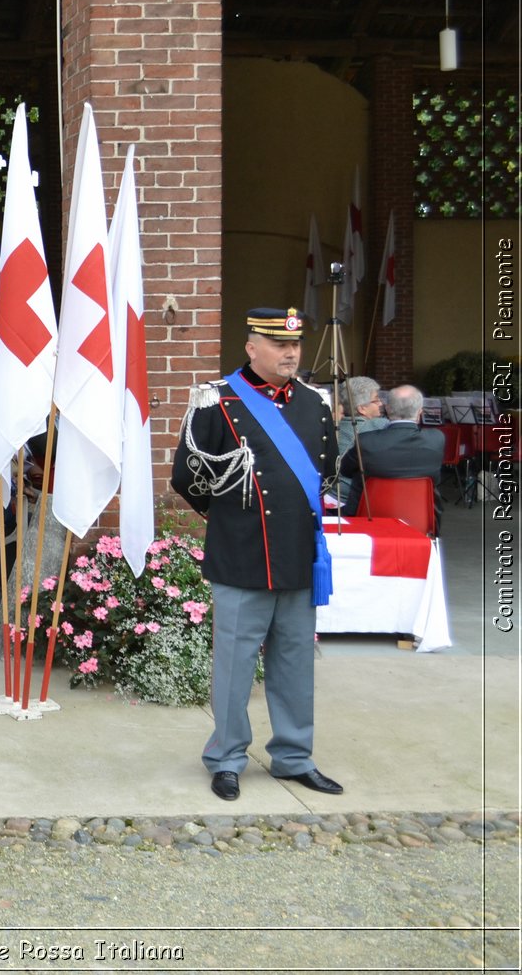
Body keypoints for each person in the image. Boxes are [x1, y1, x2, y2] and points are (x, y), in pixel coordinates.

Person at [171, 306, 341, 803]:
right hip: (244, 556)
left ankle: (293, 757)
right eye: (278, 344)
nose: (290, 352)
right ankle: (226, 758)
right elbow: (189, 477)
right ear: (251, 347)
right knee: (234, 666)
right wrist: (234, 520)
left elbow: (325, 473)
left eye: (295, 345)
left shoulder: (314, 403)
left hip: (298, 556)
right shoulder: (216, 401)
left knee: (294, 663)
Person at [341, 384, 446, 533]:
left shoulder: (366, 442)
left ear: (388, 409)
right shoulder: (436, 439)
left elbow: (345, 470)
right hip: (421, 521)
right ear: (420, 411)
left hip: (368, 520)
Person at [333, 375, 386, 509]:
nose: (381, 403)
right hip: (352, 498)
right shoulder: (379, 425)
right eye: (376, 400)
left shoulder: (335, 426)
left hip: (330, 493)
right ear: (362, 408)